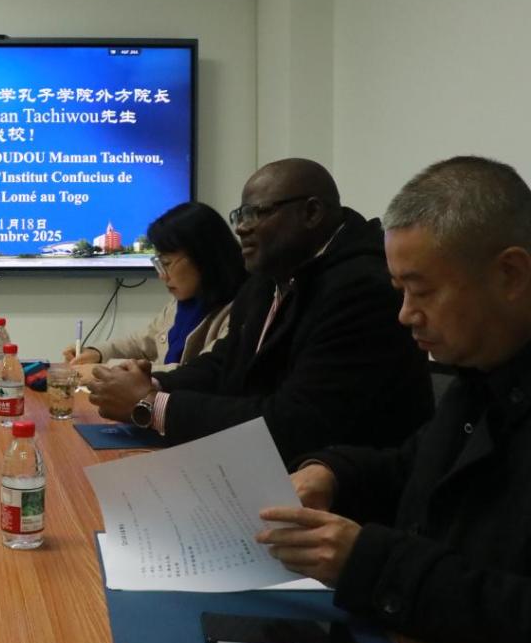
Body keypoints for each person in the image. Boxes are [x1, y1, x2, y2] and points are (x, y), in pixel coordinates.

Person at [256, 156, 531, 643]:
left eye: (421, 291)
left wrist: (373, 564)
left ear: (510, 274)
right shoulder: (480, 372)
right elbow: (415, 467)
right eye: (399, 290)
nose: (405, 314)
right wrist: (332, 473)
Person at [88, 158, 432, 462]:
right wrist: (152, 383)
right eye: (239, 215)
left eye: (256, 213)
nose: (241, 227)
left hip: (335, 494)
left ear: (311, 213)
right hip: (263, 471)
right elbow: (225, 363)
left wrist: (152, 406)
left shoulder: (361, 288)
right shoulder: (270, 278)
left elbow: (296, 424)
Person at [63, 201, 246, 378]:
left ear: (203, 256)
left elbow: (196, 374)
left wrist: (105, 370)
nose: (162, 276)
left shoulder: (242, 310)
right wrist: (97, 353)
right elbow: (144, 342)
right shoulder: (183, 302)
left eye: (166, 263)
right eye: (158, 263)